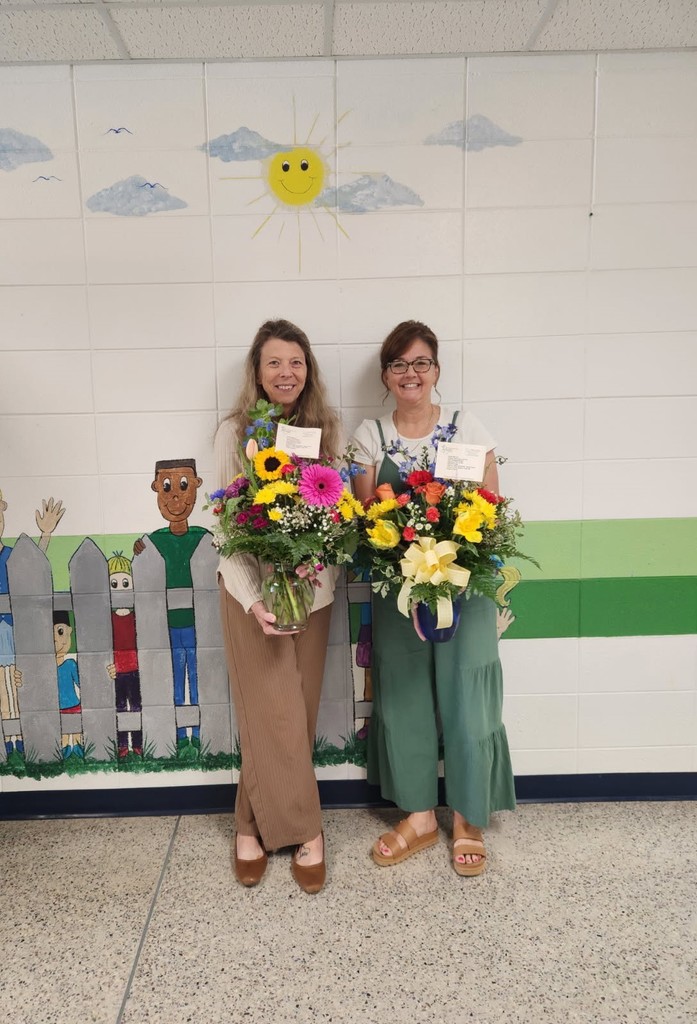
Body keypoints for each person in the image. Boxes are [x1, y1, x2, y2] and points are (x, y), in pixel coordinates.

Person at [352, 320, 516, 877]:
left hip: (465, 587)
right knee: (405, 697)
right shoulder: (369, 435)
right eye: (400, 365)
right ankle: (420, 817)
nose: (411, 374)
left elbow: (491, 504)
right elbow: (365, 514)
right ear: (386, 376)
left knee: (468, 695)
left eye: (421, 363)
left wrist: (454, 551)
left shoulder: (466, 425)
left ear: (437, 371)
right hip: (399, 588)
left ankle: (468, 817)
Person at [215, 319, 341, 893]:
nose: (286, 373)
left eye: (295, 362)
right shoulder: (233, 432)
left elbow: (334, 517)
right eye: (274, 363)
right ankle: (307, 831)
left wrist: (312, 577)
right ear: (257, 371)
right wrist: (252, 598)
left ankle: (249, 823)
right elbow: (225, 529)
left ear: (307, 370)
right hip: (250, 592)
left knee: (298, 710)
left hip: (310, 592)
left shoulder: (324, 430)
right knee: (269, 709)